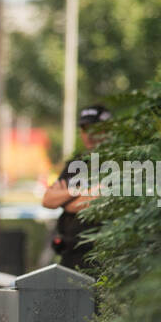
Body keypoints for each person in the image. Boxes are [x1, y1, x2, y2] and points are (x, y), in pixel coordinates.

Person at [43, 104, 112, 272]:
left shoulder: (119, 162)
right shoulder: (77, 163)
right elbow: (48, 200)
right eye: (84, 129)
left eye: (94, 129)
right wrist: (82, 191)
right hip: (69, 254)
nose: (88, 135)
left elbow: (98, 203)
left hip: (99, 257)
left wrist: (65, 199)